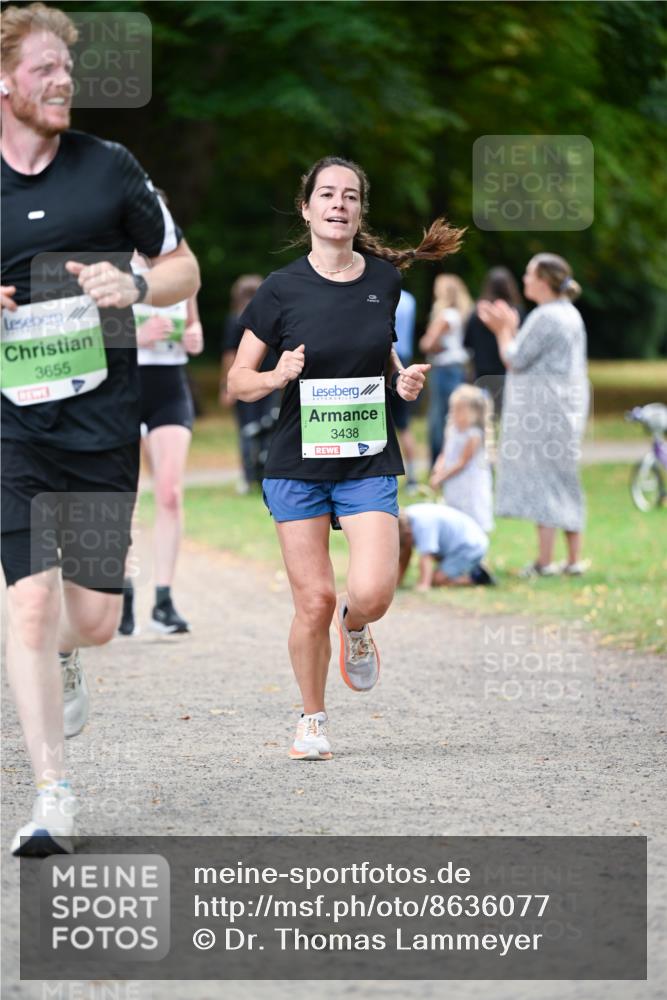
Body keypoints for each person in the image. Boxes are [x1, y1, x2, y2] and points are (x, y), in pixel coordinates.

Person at [1, 2, 200, 855]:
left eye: (67, 68)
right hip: (13, 427)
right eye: (45, 67)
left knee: (87, 619)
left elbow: (184, 264)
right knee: (30, 603)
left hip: (102, 423)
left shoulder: (110, 166)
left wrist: (140, 289)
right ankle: (52, 793)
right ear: (4, 79)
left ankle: (74, 656)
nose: (63, 80)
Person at [228, 155, 464, 761]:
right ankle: (311, 719)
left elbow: (383, 356)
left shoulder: (384, 281)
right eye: (327, 195)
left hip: (366, 458)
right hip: (297, 465)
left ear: (360, 212)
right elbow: (237, 381)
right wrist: (277, 373)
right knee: (314, 600)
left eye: (351, 196)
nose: (339, 204)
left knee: (374, 591)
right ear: (306, 208)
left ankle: (356, 629)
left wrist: (401, 383)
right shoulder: (280, 290)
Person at [478, 253, 589, 577]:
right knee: (564, 479)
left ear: (543, 280)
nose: (524, 280)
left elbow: (514, 358)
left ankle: (544, 562)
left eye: (529, 274)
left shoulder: (546, 316)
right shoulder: (569, 314)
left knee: (546, 481)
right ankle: (571, 559)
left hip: (545, 411)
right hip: (566, 408)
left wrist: (504, 329)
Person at [118, 252, 205, 637]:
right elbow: (83, 337)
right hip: (123, 388)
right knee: (126, 497)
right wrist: (134, 336)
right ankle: (122, 595)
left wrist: (194, 336)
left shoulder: (183, 270)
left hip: (170, 388)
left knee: (169, 493)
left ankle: (164, 600)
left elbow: (194, 330)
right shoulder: (113, 269)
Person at [220, 274, 280, 491]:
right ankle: (262, 474)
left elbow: (229, 355)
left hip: (249, 381)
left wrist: (226, 386)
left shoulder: (236, 318)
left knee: (246, 429)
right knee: (268, 426)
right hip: (269, 381)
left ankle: (248, 477)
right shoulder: (272, 317)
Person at [418, 274, 473, 466]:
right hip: (457, 368)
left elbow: (427, 343)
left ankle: (437, 462)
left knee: (438, 418)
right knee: (455, 415)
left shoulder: (446, 316)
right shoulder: (459, 314)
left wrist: (431, 344)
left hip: (443, 369)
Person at [430, 383, 494, 533]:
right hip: (453, 481)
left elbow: (462, 462)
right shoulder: (451, 429)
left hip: (469, 482)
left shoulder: (474, 434)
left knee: (471, 516)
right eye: (453, 409)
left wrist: (441, 477)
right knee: (454, 515)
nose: (454, 413)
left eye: (459, 410)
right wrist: (438, 467)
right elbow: (444, 453)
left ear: (473, 413)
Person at [464, 266, 523, 421]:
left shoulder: (478, 312)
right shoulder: (516, 311)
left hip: (481, 370)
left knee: (480, 418)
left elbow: (466, 342)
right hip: (506, 370)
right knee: (506, 416)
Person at [398, 504, 495, 590]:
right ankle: (467, 568)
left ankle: (478, 578)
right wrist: (398, 581)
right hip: (453, 545)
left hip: (470, 546)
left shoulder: (423, 524)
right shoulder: (405, 518)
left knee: (437, 580)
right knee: (435, 574)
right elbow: (406, 551)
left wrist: (424, 584)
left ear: (408, 532)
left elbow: (427, 556)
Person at [389, 288, 419, 492]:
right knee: (404, 424)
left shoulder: (383, 295)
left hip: (388, 360)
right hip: (405, 358)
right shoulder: (409, 299)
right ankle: (413, 478)